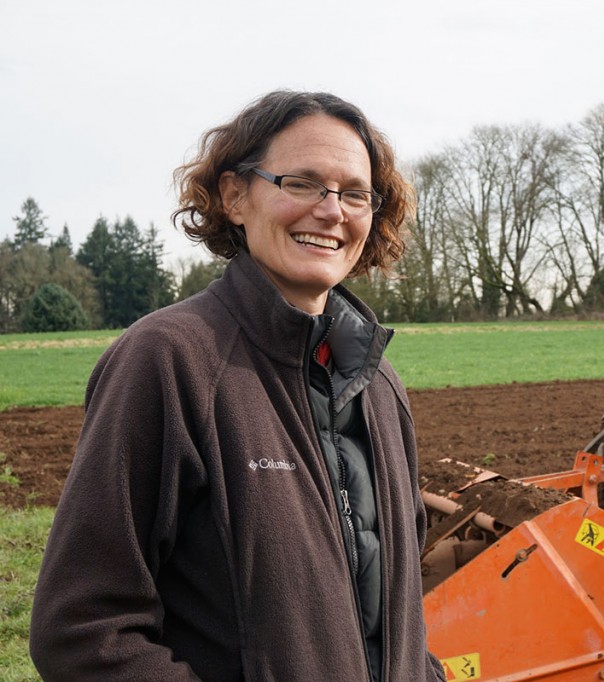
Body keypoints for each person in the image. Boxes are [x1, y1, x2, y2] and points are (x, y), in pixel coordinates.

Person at [30, 91, 445, 682]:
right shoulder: (169, 361)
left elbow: (398, 620)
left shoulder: (379, 384)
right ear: (234, 197)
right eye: (302, 183)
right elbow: (83, 631)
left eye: (355, 193)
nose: (332, 211)